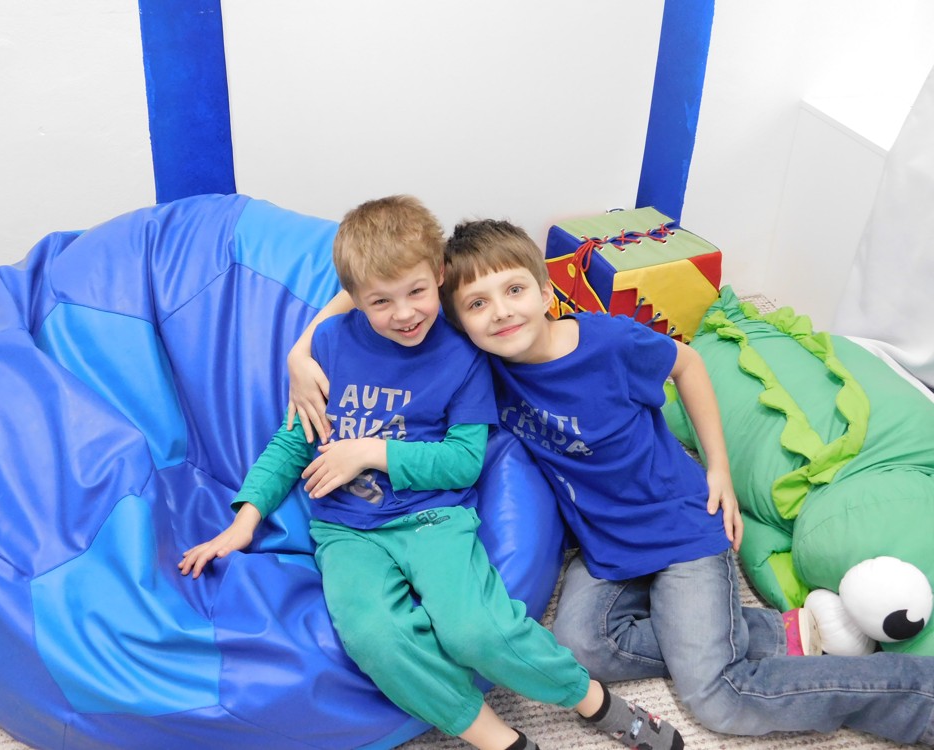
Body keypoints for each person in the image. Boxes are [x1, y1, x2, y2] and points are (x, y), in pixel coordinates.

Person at [288, 215, 934, 747]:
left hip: (679, 530)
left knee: (719, 696)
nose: (501, 313)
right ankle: (776, 632)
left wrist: (718, 468)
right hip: (603, 546)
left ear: (547, 291)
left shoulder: (609, 344)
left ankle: (918, 699)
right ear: (457, 315)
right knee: (580, 646)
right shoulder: (478, 365)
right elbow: (386, 284)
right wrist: (301, 349)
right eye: (478, 304)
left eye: (516, 291)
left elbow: (688, 366)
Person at [180, 196, 685, 750]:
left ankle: (594, 702)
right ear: (355, 298)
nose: (404, 314)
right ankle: (502, 741)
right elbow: (292, 441)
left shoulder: (462, 355)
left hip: (434, 518)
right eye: (381, 301)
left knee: (475, 629)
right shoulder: (329, 343)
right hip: (345, 532)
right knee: (374, 637)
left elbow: (464, 461)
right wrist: (245, 520)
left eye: (417, 293)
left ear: (438, 277)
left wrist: (371, 452)